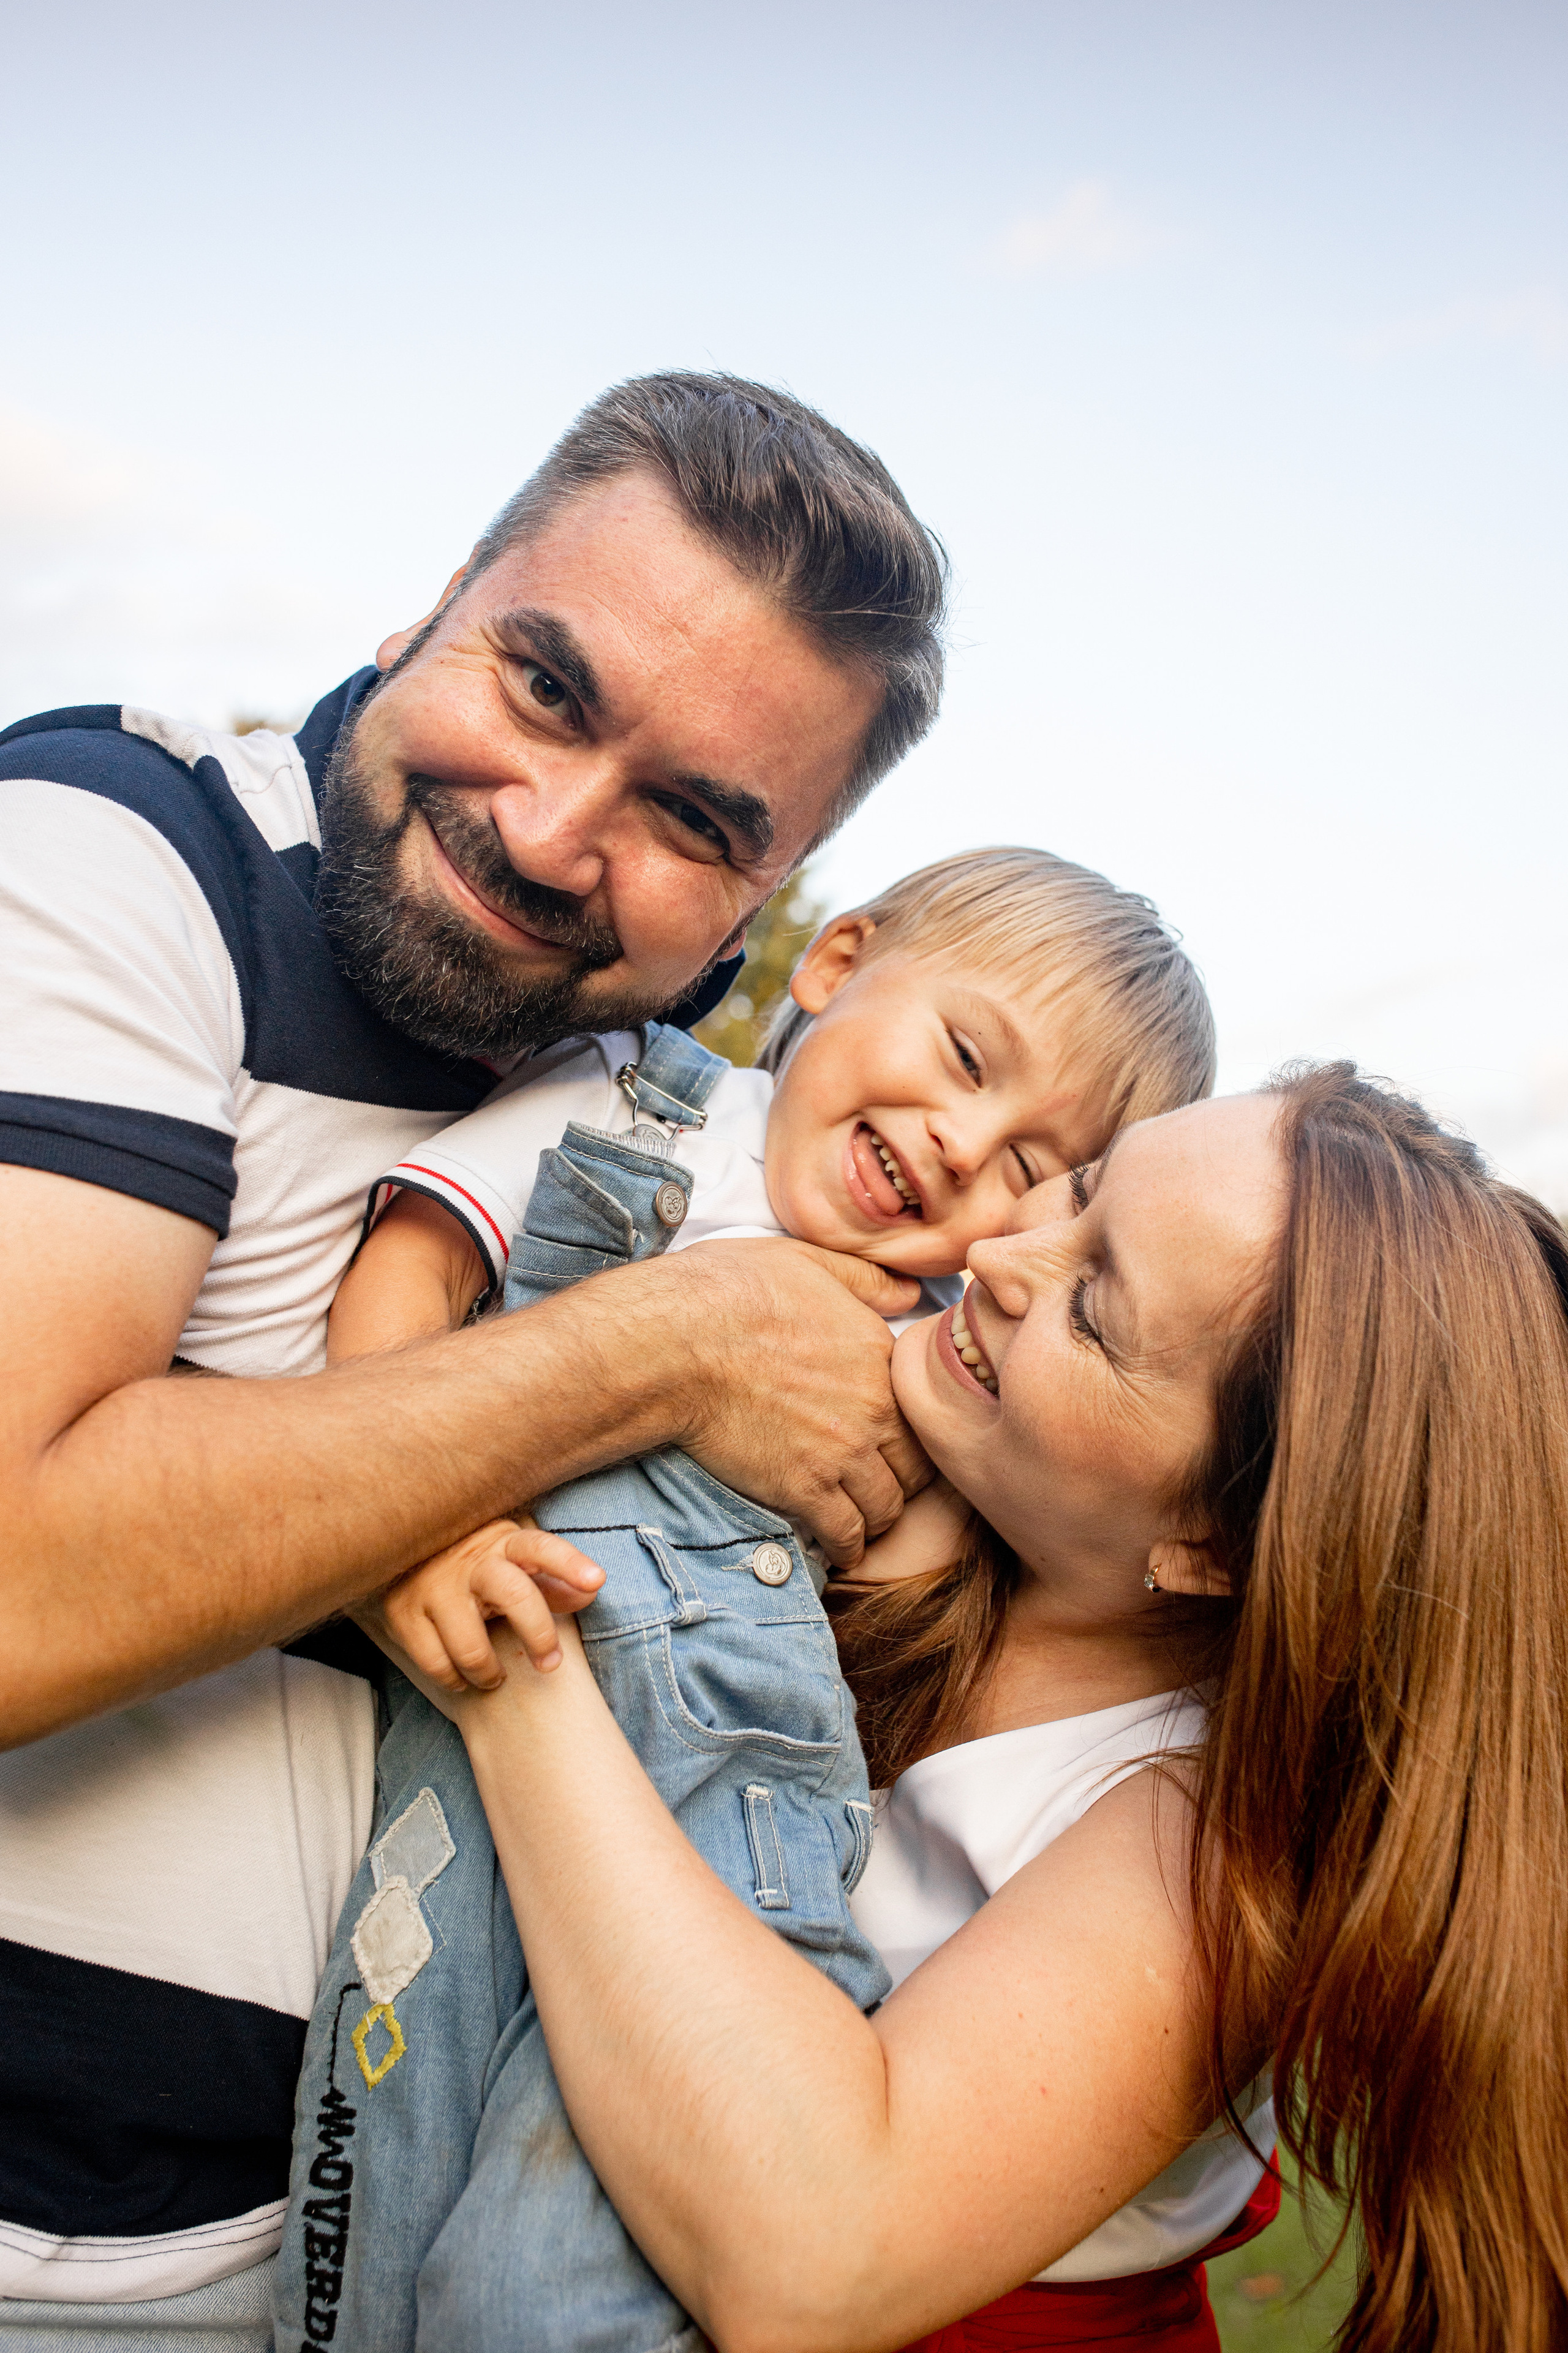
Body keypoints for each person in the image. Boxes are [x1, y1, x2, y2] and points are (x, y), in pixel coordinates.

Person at [0, 374, 948, 2344]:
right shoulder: (115, 857)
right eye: (544, 687)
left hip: (321, 2261)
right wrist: (664, 1348)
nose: (550, 832)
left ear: (764, 904)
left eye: (694, 819)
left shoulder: (676, 1138)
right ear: (429, 607)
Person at [372, 1066, 1568, 2353]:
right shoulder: (894, 1470)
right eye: (1083, 1189)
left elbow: (811, 2255)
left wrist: (495, 1654)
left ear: (1216, 1543)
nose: (996, 1255)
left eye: (1093, 1311)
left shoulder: (1210, 1850)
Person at [268, 846, 1218, 2353]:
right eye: (964, 1058)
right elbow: (411, 1276)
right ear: (832, 965)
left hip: (730, 1832)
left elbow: (883, 1603)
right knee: (381, 2146)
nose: (963, 1147)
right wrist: (413, 1523)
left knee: (558, 2268)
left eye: (1033, 1169)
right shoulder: (635, 1103)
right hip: (472, 1746)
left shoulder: (934, 1340)